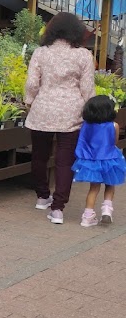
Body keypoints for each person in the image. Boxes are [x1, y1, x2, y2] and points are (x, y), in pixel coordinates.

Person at [24, 12, 95, 224]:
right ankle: (58, 208)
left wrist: (29, 101)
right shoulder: (83, 55)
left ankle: (42, 196)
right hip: (71, 113)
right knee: (65, 161)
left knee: (39, 155)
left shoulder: (40, 53)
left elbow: (31, 83)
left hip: (42, 110)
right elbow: (88, 88)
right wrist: (90, 110)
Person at [72, 95, 126, 226]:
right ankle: (107, 210)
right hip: (110, 158)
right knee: (110, 185)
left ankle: (87, 216)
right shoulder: (114, 125)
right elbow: (114, 142)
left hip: (92, 160)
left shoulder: (86, 126)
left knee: (93, 188)